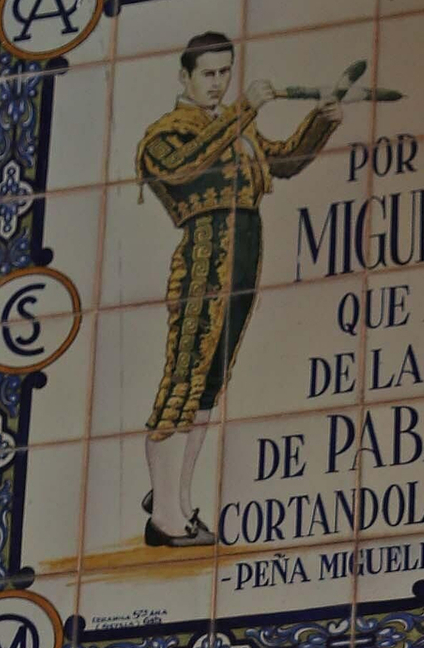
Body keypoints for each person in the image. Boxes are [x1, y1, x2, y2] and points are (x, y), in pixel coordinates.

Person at [137, 35, 344, 546]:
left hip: (245, 250)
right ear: (184, 77)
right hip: (205, 254)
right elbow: (184, 167)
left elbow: (283, 161)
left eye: (224, 72)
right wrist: (243, 109)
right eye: (208, 74)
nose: (218, 83)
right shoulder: (167, 133)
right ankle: (164, 514)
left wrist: (320, 122)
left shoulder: (232, 126)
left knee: (210, 380)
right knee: (185, 376)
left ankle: (178, 501)